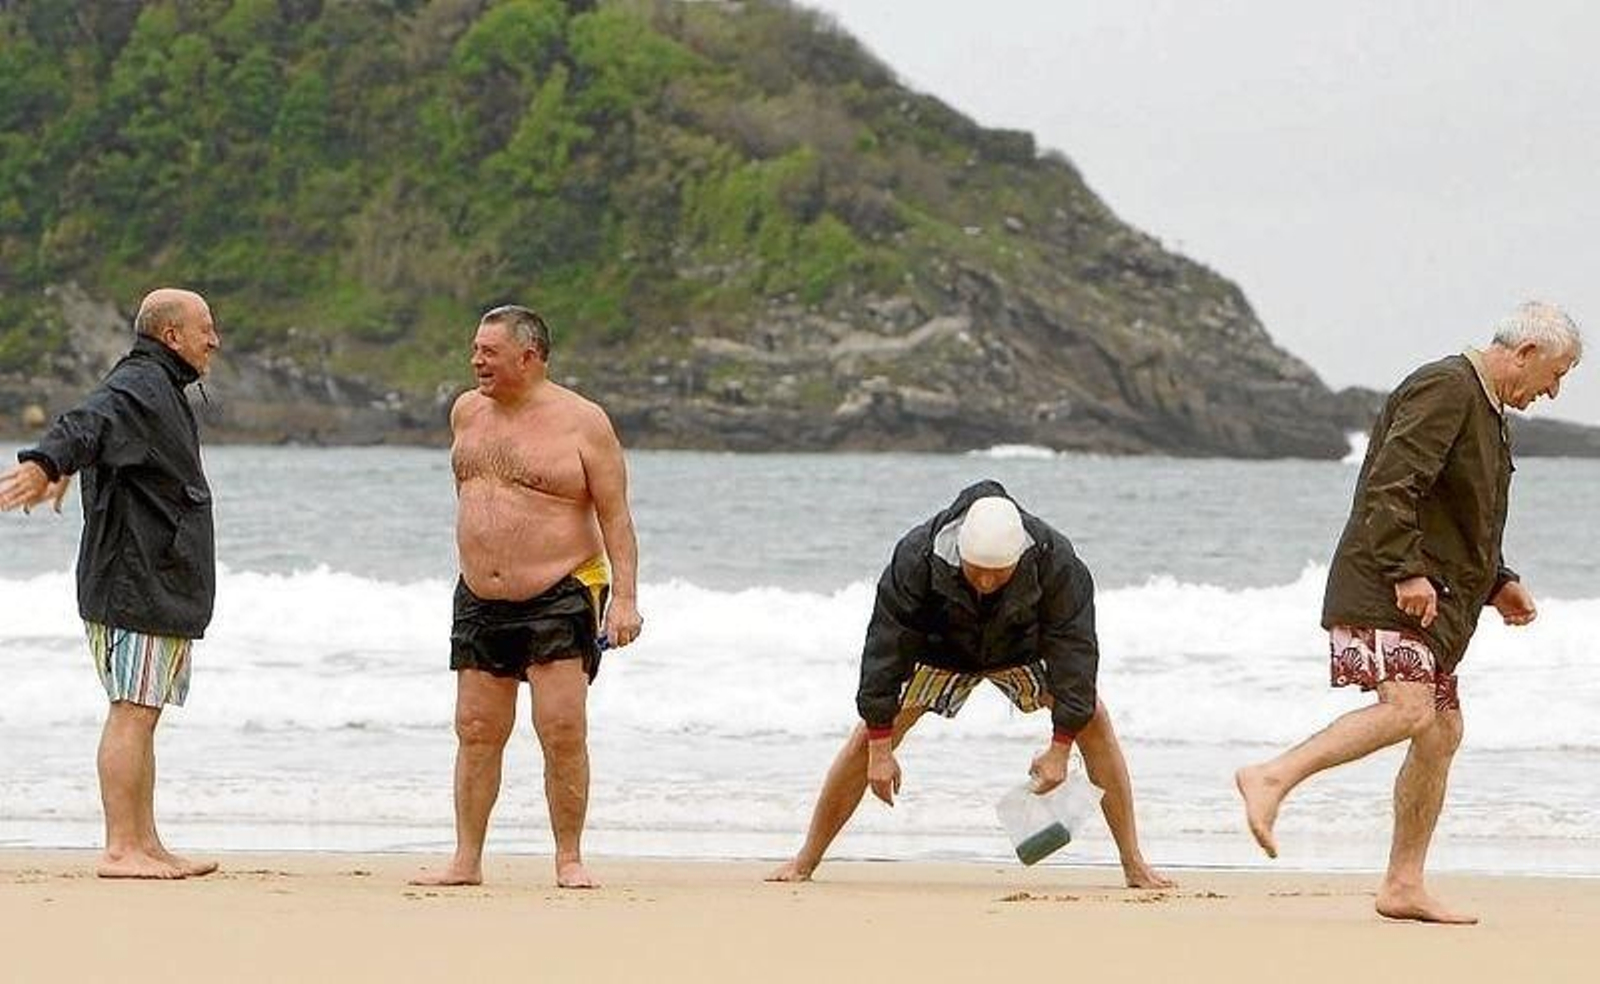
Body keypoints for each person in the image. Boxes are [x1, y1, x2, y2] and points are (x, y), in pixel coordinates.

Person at [1236, 301, 1582, 924]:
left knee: (1441, 731)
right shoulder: (1447, 386)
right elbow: (1392, 483)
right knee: (1410, 709)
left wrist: (1498, 581)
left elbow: (1464, 514)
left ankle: (1403, 884)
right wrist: (1404, 570)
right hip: (1387, 586)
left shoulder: (1489, 411)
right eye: (1556, 374)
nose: (1554, 391)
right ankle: (1272, 776)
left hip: (1430, 598)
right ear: (1526, 352)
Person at [768, 480, 1172, 888]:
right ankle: (805, 860)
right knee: (868, 738)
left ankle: (1133, 863)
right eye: (976, 570)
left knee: (1093, 717)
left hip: (1020, 648)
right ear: (960, 550)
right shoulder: (917, 556)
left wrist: (1060, 748)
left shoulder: (1056, 560)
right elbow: (885, 650)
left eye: (999, 574)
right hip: (940, 650)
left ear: (1019, 557)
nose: (986, 582)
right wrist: (880, 747)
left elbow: (1075, 653)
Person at [411, 304, 642, 890]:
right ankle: (466, 859)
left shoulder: (583, 423)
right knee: (475, 728)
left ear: (528, 356)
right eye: (475, 350)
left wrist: (625, 599)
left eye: (488, 352)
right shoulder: (466, 412)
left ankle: (569, 857)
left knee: (561, 728)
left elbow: (616, 517)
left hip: (561, 589)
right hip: (479, 594)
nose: (476, 361)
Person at [0, 288, 221, 879]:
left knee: (143, 713)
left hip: (154, 582)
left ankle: (146, 843)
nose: (214, 339)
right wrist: (46, 462)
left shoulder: (159, 388)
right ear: (171, 336)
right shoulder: (141, 385)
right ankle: (122, 848)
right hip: (134, 583)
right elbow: (87, 421)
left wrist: (70, 467)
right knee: (131, 712)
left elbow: (102, 440)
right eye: (205, 328)